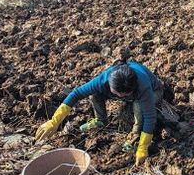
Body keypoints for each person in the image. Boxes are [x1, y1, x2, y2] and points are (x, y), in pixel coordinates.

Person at [35, 61, 165, 165]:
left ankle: (135, 135)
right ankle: (101, 120)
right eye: (117, 93)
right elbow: (76, 94)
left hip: (155, 91)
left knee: (139, 106)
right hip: (128, 93)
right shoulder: (104, 80)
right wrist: (54, 121)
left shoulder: (143, 86)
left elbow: (150, 117)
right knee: (96, 94)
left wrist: (143, 146)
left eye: (124, 94)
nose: (120, 96)